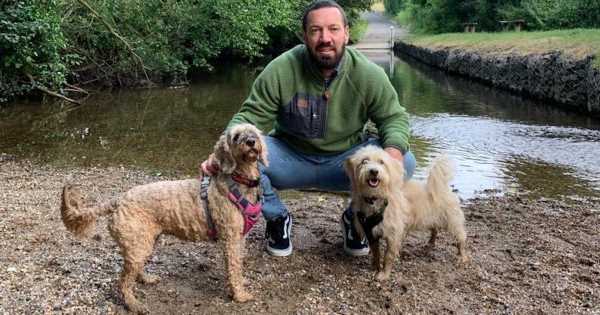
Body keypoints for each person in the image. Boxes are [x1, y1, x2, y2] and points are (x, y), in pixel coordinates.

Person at [201, 0, 415, 257]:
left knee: (406, 162)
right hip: (290, 158)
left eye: (333, 29)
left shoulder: (369, 74)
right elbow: (249, 116)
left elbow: (393, 118)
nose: (325, 38)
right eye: (316, 30)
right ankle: (277, 218)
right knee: (235, 162)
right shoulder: (280, 69)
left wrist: (392, 154)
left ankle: (355, 219)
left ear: (346, 33)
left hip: (344, 163)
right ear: (304, 36)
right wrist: (221, 152)